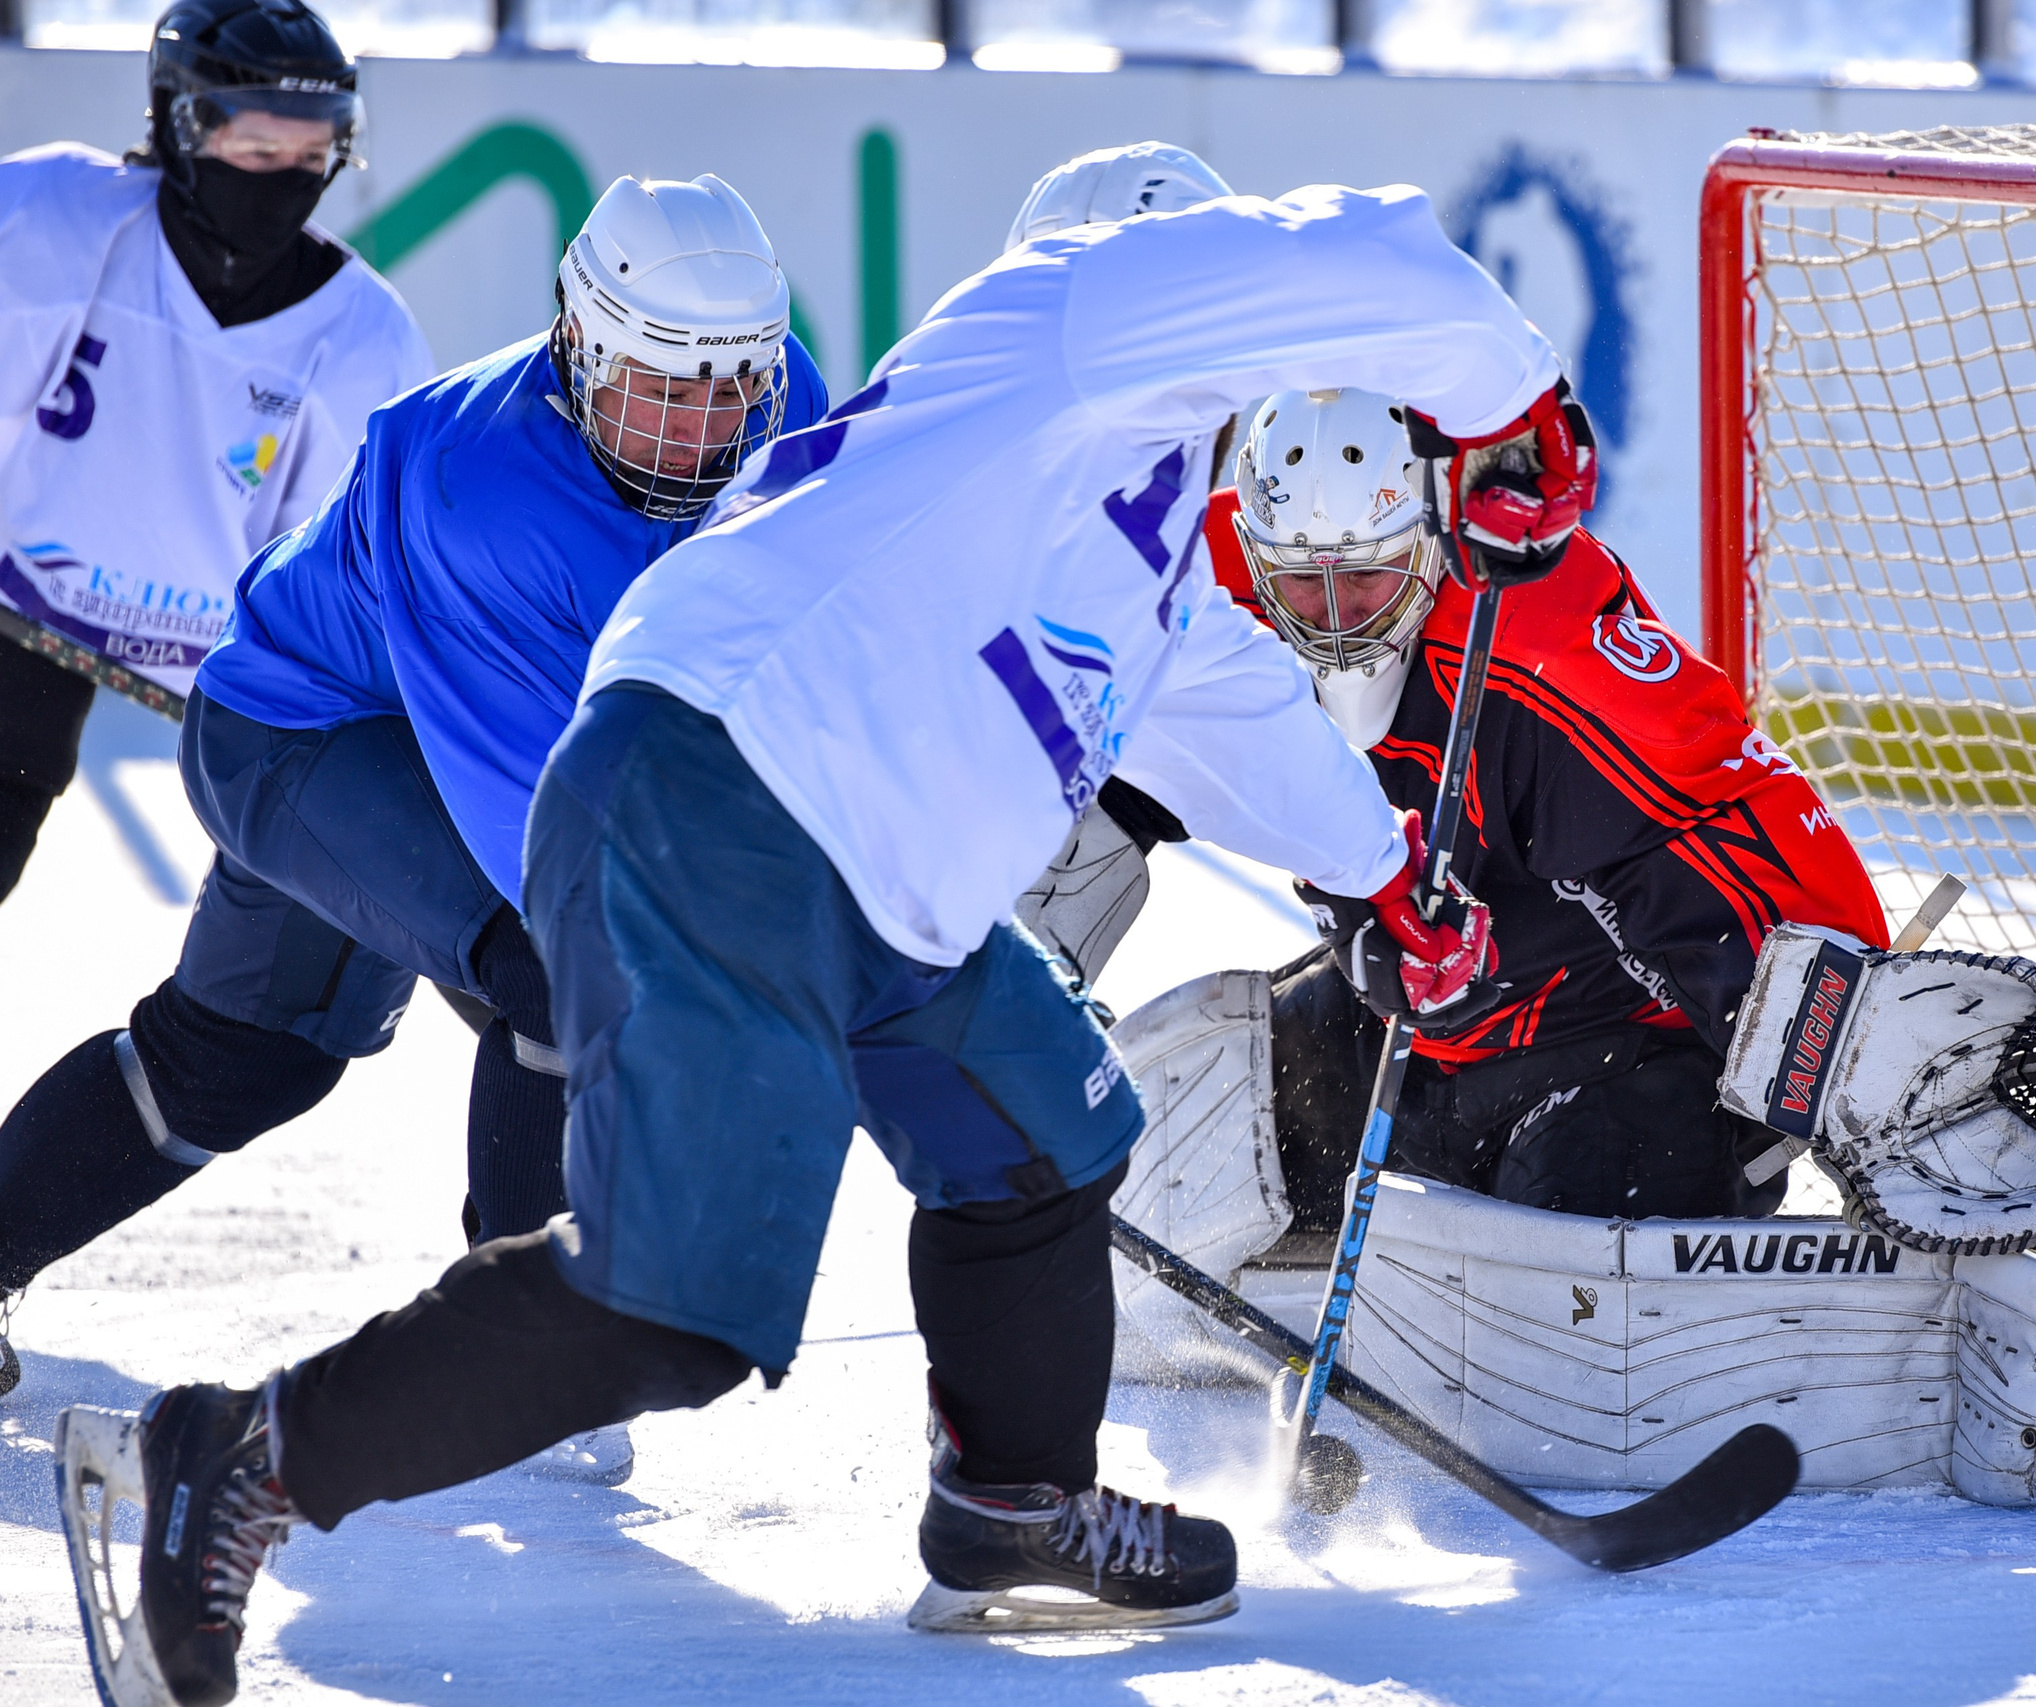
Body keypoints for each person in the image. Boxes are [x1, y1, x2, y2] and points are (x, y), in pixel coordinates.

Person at [55, 150, 1611, 1704]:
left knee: (1047, 1128)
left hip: (881, 885)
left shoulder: (1124, 519)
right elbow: (1354, 237)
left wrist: (1393, 882)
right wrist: (1518, 404)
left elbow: (1225, 703)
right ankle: (245, 1453)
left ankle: (1013, 1495)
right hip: (720, 809)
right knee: (683, 1304)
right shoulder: (1063, 319)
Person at [0, 173, 827, 1484]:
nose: (703, 431)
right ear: (580, 348)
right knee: (558, 961)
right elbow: (557, 846)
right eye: (666, 389)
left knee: (242, 1059)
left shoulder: (784, 404)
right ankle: (540, 1353)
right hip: (306, 736)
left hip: (425, 729)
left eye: (733, 386)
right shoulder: (483, 495)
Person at [1109, 385, 1889, 1268]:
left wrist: (1858, 1065)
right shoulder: (1213, 589)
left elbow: (1732, 812)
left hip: (1626, 1056)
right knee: (1194, 1143)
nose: (1333, 618)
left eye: (1367, 574)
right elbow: (1093, 740)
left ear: (1433, 542)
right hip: (1425, 1039)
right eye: (1301, 581)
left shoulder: (1539, 647)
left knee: (1566, 1248)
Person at [0, 0, 430, 903]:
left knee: (332, 915)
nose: (288, 175)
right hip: (22, 607)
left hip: (246, 672)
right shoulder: (50, 223)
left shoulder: (365, 338)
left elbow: (346, 582)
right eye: (259, 147)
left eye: (314, 150)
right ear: (177, 124)